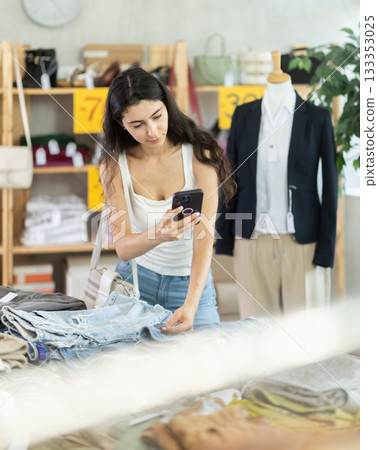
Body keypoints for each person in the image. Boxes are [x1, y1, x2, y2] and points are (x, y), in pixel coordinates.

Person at [100, 67, 235, 332]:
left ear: (166, 105)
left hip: (192, 285)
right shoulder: (115, 166)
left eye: (156, 116)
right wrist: (159, 234)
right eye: (137, 125)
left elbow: (204, 237)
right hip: (135, 283)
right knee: (135, 370)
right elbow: (124, 248)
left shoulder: (198, 154)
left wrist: (191, 305)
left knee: (208, 365)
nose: (152, 131)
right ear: (120, 124)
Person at [216, 65, 338, 318]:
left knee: (305, 328)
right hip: (251, 237)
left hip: (302, 239)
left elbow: (330, 184)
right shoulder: (243, 115)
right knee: (256, 329)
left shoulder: (317, 117)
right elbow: (229, 178)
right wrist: (225, 238)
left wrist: (326, 247)